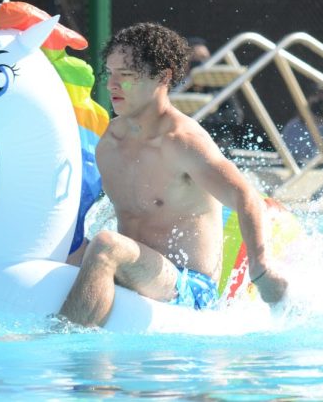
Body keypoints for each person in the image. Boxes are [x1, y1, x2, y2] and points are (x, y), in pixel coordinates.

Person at [58, 23, 287, 326]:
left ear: (163, 77)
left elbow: (246, 197)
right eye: (108, 74)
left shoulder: (183, 142)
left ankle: (61, 343)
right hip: (135, 273)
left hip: (188, 288)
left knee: (106, 246)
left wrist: (261, 269)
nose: (112, 85)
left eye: (125, 76)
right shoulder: (108, 145)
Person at [182, 37, 246, 148]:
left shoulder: (219, 88)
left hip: (217, 143)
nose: (201, 63)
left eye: (204, 58)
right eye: (194, 59)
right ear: (185, 63)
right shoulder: (175, 88)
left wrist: (207, 117)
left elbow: (235, 116)